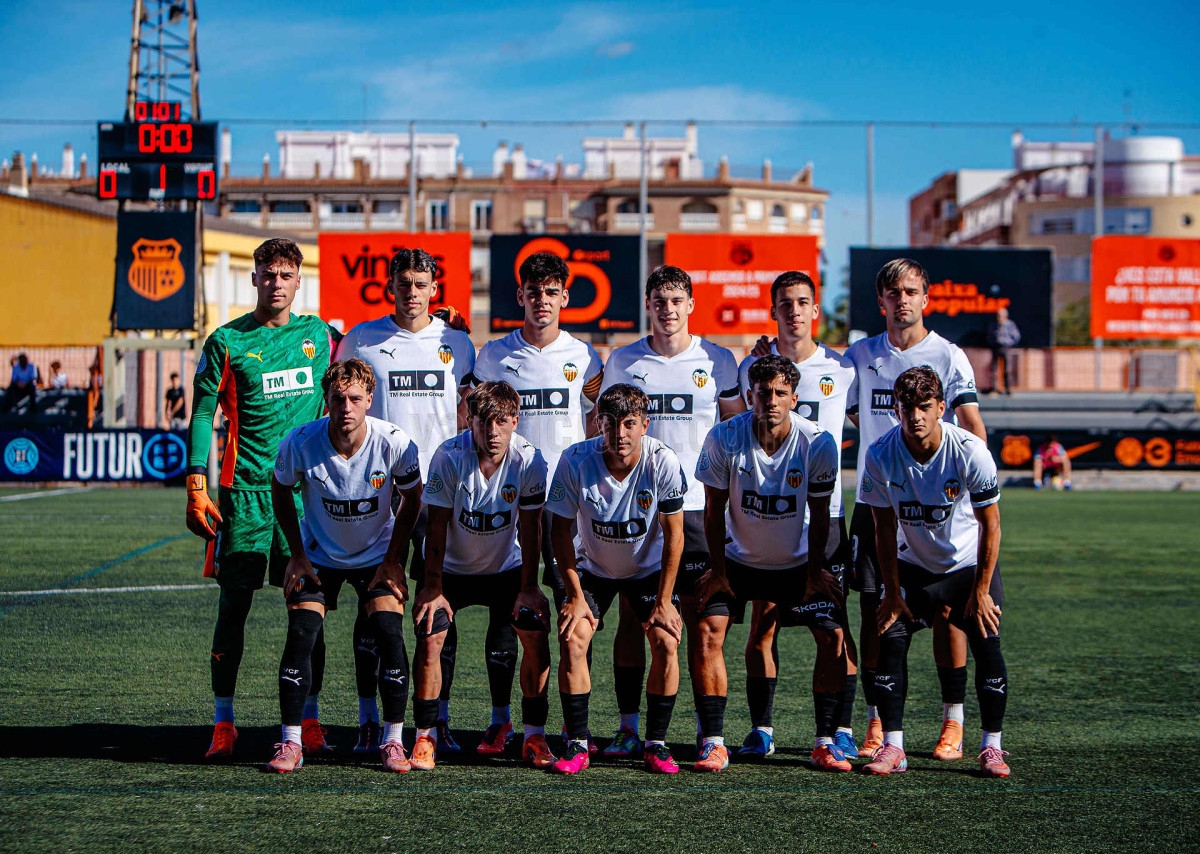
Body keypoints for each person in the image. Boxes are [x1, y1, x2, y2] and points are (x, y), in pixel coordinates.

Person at [185, 237, 339, 760]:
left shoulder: (319, 335)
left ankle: (310, 720)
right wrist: (196, 483)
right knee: (234, 609)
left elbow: (380, 344)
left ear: (299, 282)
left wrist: (441, 319)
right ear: (254, 279)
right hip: (244, 497)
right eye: (268, 274)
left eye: (286, 275)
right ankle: (223, 722)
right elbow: (203, 413)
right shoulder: (226, 341)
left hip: (303, 498)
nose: (276, 283)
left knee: (308, 612)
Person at [844, 258, 987, 762]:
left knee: (950, 609)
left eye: (911, 291)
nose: (902, 300)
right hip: (875, 503)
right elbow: (816, 397)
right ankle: (877, 720)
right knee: (874, 612)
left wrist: (962, 495)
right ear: (880, 301)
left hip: (938, 507)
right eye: (892, 292)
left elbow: (972, 425)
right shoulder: (858, 355)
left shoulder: (949, 356)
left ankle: (953, 720)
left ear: (925, 298)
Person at [598, 265, 744, 758]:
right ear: (648, 304)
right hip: (637, 514)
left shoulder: (719, 360)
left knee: (705, 627)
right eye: (659, 300)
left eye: (677, 300)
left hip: (700, 511)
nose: (668, 309)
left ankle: (711, 737)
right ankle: (628, 727)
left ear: (691, 305)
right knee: (631, 622)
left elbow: (733, 431)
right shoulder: (622, 360)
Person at [335, 248, 476, 754]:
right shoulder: (361, 339)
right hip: (381, 493)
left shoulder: (458, 344)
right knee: (375, 605)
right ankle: (369, 717)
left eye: (421, 283)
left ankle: (436, 722)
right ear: (388, 284)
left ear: (434, 289)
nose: (412, 292)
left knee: (440, 604)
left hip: (441, 493)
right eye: (403, 282)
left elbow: (469, 410)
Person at [468, 250, 603, 750]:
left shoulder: (587, 358)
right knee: (516, 614)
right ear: (519, 296)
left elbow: (596, 418)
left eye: (552, 293)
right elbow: (481, 419)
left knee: (572, 612)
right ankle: (506, 719)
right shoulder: (492, 355)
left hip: (568, 507)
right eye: (534, 292)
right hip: (511, 502)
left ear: (565, 297)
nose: (542, 301)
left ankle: (570, 722)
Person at [266, 359, 423, 773]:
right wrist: (297, 555)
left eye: (355, 398)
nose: (346, 407)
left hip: (376, 555)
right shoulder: (300, 441)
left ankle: (392, 740)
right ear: (327, 400)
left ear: (370, 400)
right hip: (318, 554)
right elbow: (280, 490)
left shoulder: (392, 442)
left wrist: (393, 561)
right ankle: (291, 742)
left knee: (389, 629)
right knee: (302, 631)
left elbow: (413, 496)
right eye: (338, 399)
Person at [693, 355, 843, 772]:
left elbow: (820, 513)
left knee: (832, 637)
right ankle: (715, 742)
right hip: (739, 562)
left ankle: (826, 742)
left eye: (780, 393)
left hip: (797, 564)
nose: (771, 401)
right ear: (749, 396)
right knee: (707, 631)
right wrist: (719, 571)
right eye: (763, 393)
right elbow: (712, 511)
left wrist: (815, 573)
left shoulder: (819, 442)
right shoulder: (724, 437)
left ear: (795, 398)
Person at [861, 366, 1010, 777]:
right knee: (889, 634)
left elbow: (991, 525)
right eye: (907, 407)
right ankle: (893, 747)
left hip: (966, 566)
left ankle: (991, 747)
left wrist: (981, 591)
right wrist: (891, 591)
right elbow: (883, 528)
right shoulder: (880, 453)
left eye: (925, 407)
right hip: (914, 566)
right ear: (896, 410)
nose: (916, 416)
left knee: (987, 639)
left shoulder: (970, 451)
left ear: (942, 407)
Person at [737, 271, 859, 761]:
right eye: (784, 303)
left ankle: (839, 730)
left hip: (824, 519)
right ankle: (762, 729)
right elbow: (734, 426)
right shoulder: (753, 364)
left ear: (815, 310)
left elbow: (868, 419)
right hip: (766, 515)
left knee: (832, 628)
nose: (793, 310)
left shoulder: (844, 368)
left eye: (802, 302)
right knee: (762, 624)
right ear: (773, 310)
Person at [408, 381, 553, 769]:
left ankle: (526, 733)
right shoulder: (448, 456)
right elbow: (435, 526)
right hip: (449, 567)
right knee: (432, 633)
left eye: (502, 422)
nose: (492, 432)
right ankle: (427, 734)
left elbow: (531, 527)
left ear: (515, 421)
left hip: (503, 565)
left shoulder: (529, 460)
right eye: (484, 422)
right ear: (469, 419)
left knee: (530, 630)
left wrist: (530, 588)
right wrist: (433, 588)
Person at [546, 383, 687, 775]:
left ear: (645, 425)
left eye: (629, 424)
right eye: (610, 424)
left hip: (647, 569)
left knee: (667, 640)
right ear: (598, 423)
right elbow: (559, 532)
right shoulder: (575, 460)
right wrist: (574, 595)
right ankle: (577, 743)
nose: (620, 434)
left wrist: (664, 600)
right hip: (593, 567)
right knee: (573, 636)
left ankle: (655, 744)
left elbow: (675, 535)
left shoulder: (663, 461)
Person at [987, 307, 1021, 394]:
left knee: (1007, 369)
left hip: (1006, 348)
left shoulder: (1010, 325)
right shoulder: (993, 325)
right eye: (998, 315)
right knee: (994, 369)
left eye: (1001, 316)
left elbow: (1016, 336)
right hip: (995, 347)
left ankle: (1008, 389)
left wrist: (1009, 343)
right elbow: (989, 336)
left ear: (1005, 316)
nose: (999, 317)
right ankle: (994, 389)